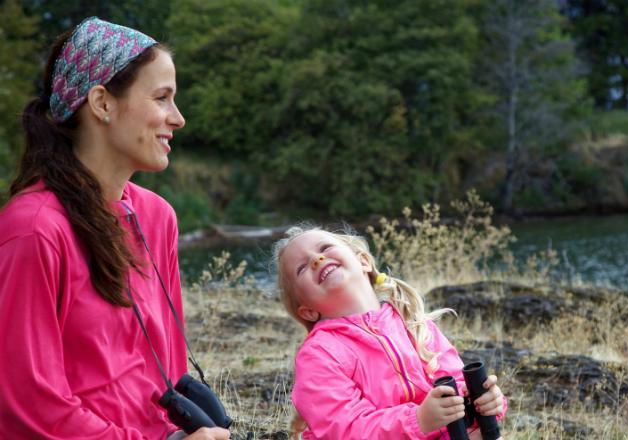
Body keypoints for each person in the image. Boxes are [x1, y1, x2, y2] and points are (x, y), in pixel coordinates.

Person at [0, 17, 229, 440]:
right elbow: (26, 405)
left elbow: (170, 366)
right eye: (162, 98)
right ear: (102, 103)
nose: (177, 119)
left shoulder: (158, 218)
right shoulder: (33, 230)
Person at [273, 226, 508, 439]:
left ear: (363, 261)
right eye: (302, 268)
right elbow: (344, 429)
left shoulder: (412, 321)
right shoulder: (319, 353)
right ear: (308, 311)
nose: (317, 258)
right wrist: (418, 420)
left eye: (325, 248)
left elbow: (455, 381)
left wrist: (483, 403)